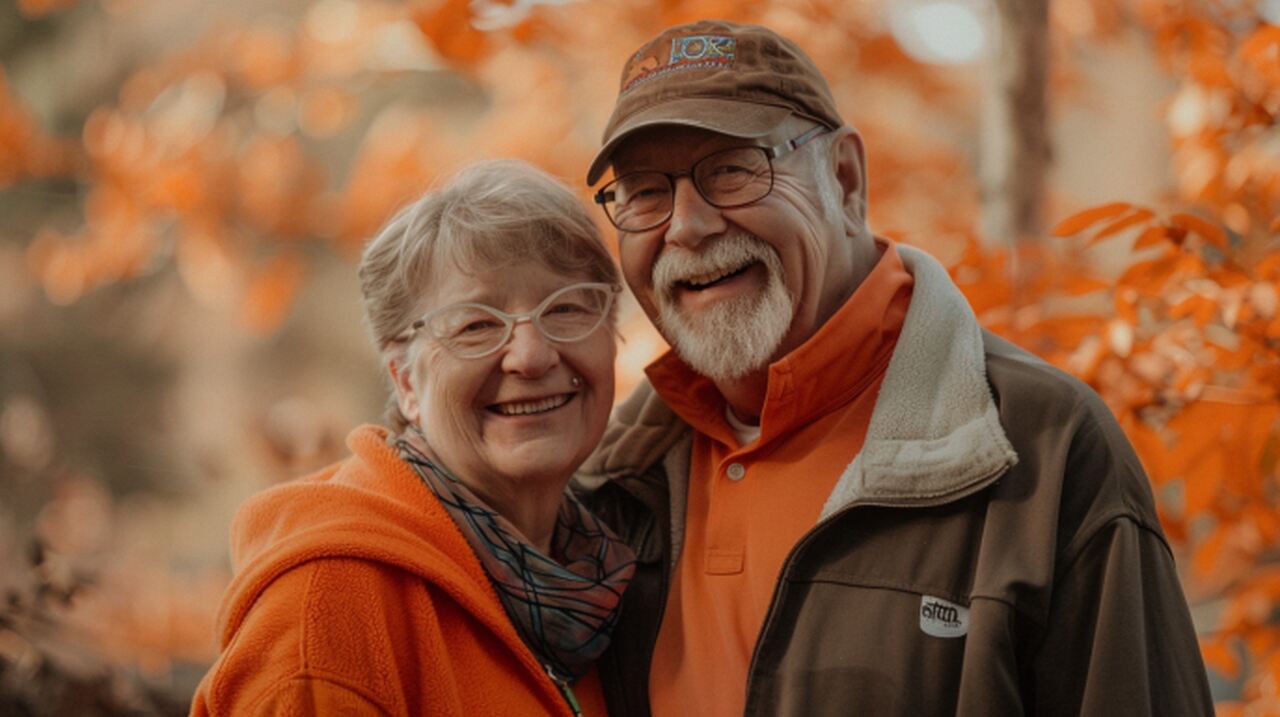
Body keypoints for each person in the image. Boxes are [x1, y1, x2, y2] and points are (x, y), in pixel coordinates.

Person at [575, 19, 1214, 717]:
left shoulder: (1043, 449)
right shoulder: (605, 484)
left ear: (845, 178)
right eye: (642, 193)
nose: (687, 226)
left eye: (732, 170)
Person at [191, 159, 634, 716]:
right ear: (406, 381)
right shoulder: (327, 614)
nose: (532, 355)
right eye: (476, 324)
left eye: (566, 309)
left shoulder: (596, 583)